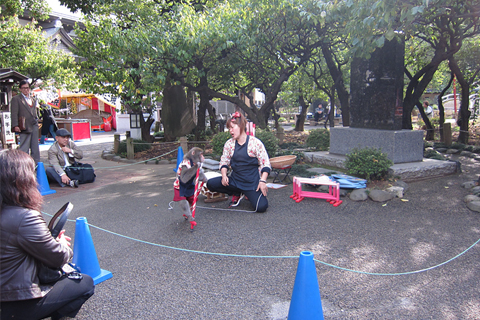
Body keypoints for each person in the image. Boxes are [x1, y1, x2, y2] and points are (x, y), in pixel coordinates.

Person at [0, 149, 95, 320]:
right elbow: (57, 257)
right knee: (85, 283)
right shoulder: (24, 217)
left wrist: (48, 241)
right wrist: (63, 246)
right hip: (15, 301)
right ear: (23, 179)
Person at [206, 111, 271, 212]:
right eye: (229, 128)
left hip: (252, 183)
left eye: (232, 127)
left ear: (241, 126)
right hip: (235, 181)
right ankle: (236, 193)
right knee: (210, 184)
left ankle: (248, 193)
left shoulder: (255, 143)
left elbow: (265, 163)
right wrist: (224, 175)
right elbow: (224, 161)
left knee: (261, 207)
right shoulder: (229, 144)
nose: (230, 131)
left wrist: (262, 181)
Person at [10, 80, 40, 163]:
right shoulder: (16, 99)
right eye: (23, 88)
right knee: (24, 147)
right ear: (20, 89)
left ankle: (36, 165)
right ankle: (23, 165)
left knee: (35, 147)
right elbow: (14, 113)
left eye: (27, 88)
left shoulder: (33, 99)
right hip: (24, 125)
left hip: (33, 125)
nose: (26, 90)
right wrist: (15, 125)